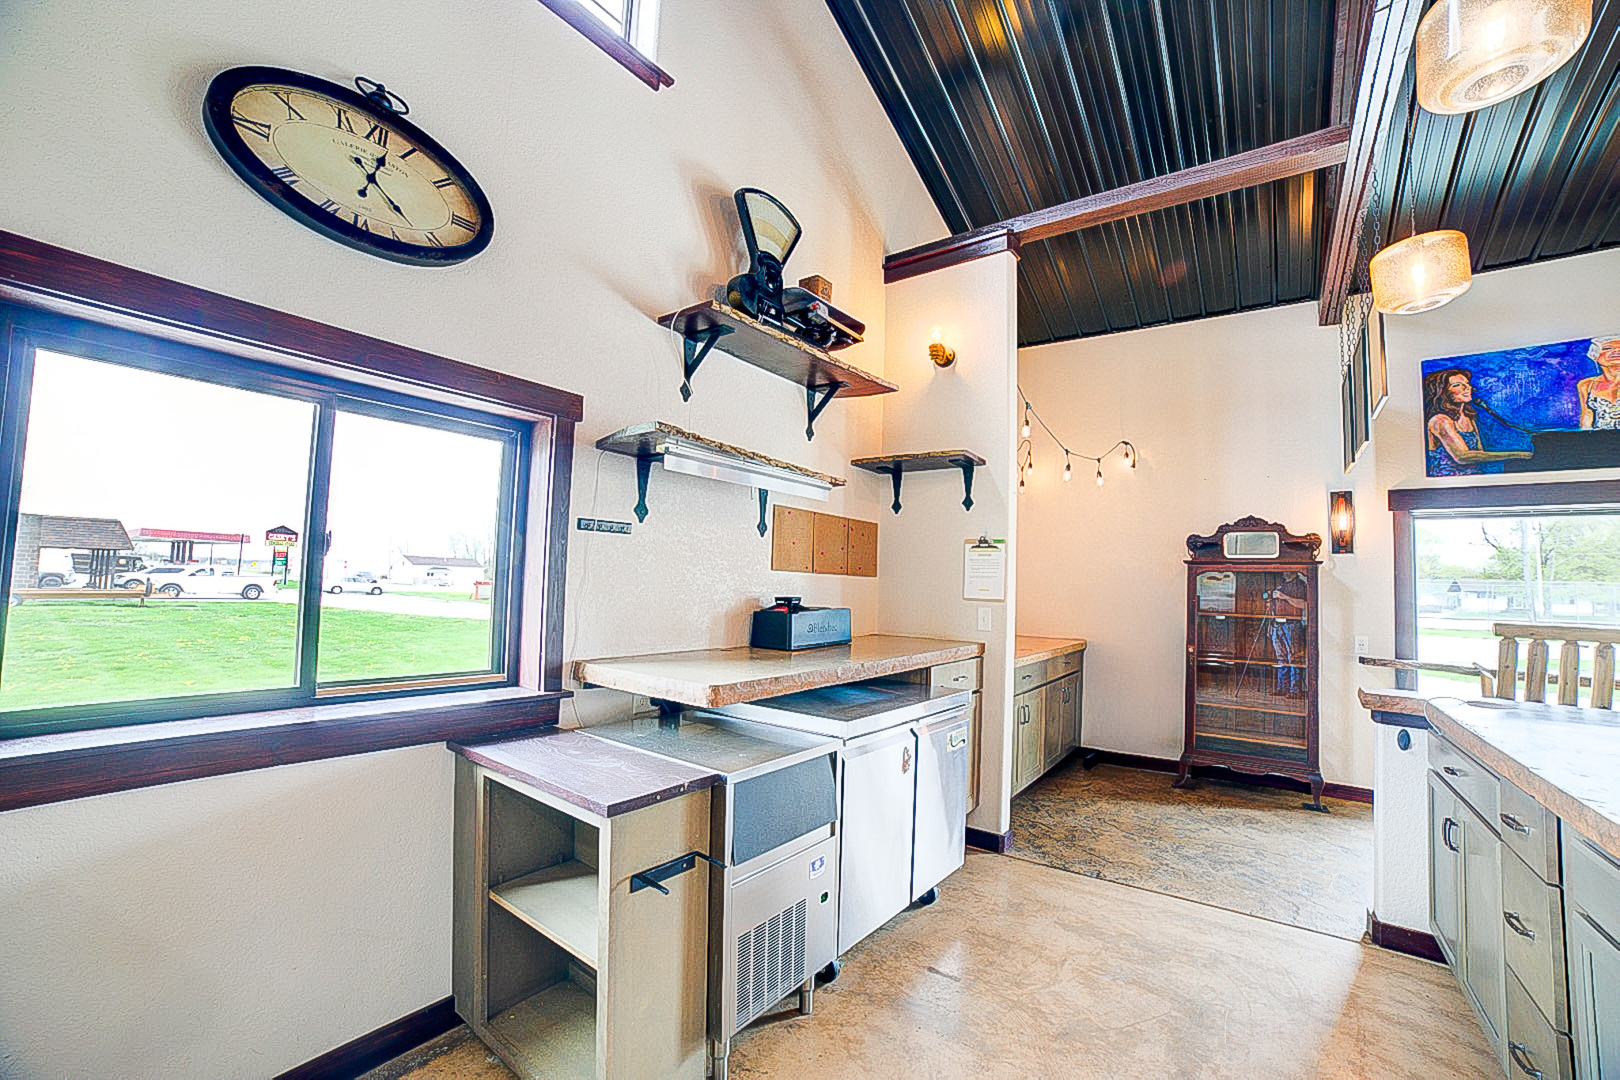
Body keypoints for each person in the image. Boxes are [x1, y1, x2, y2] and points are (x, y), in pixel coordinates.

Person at [1423, 368, 1534, 476]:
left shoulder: (1468, 418)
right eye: (1457, 385)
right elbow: (1462, 457)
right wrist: (1518, 454)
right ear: (1442, 392)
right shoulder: (1440, 420)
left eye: (1467, 384)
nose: (1467, 388)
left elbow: (1479, 453)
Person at [1267, 572, 1308, 695]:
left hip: (1292, 624)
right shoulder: (1281, 584)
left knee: (1294, 657)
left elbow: (1304, 604)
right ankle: (1282, 687)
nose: (1284, 572)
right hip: (1277, 624)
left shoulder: (1301, 585)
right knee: (1281, 658)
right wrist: (1270, 623)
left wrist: (1284, 597)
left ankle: (1295, 690)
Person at [1577, 334, 1620, 430]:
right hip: (1601, 441)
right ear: (1595, 355)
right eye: (1608, 348)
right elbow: (1587, 418)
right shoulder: (1586, 385)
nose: (1616, 351)